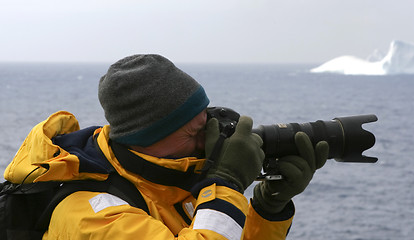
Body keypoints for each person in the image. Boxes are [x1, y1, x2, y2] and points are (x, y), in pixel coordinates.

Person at [4, 54, 329, 240]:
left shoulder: (169, 180)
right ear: (142, 139)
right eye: (193, 133)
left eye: (207, 124)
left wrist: (267, 208)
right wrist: (226, 182)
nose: (207, 141)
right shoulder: (90, 216)